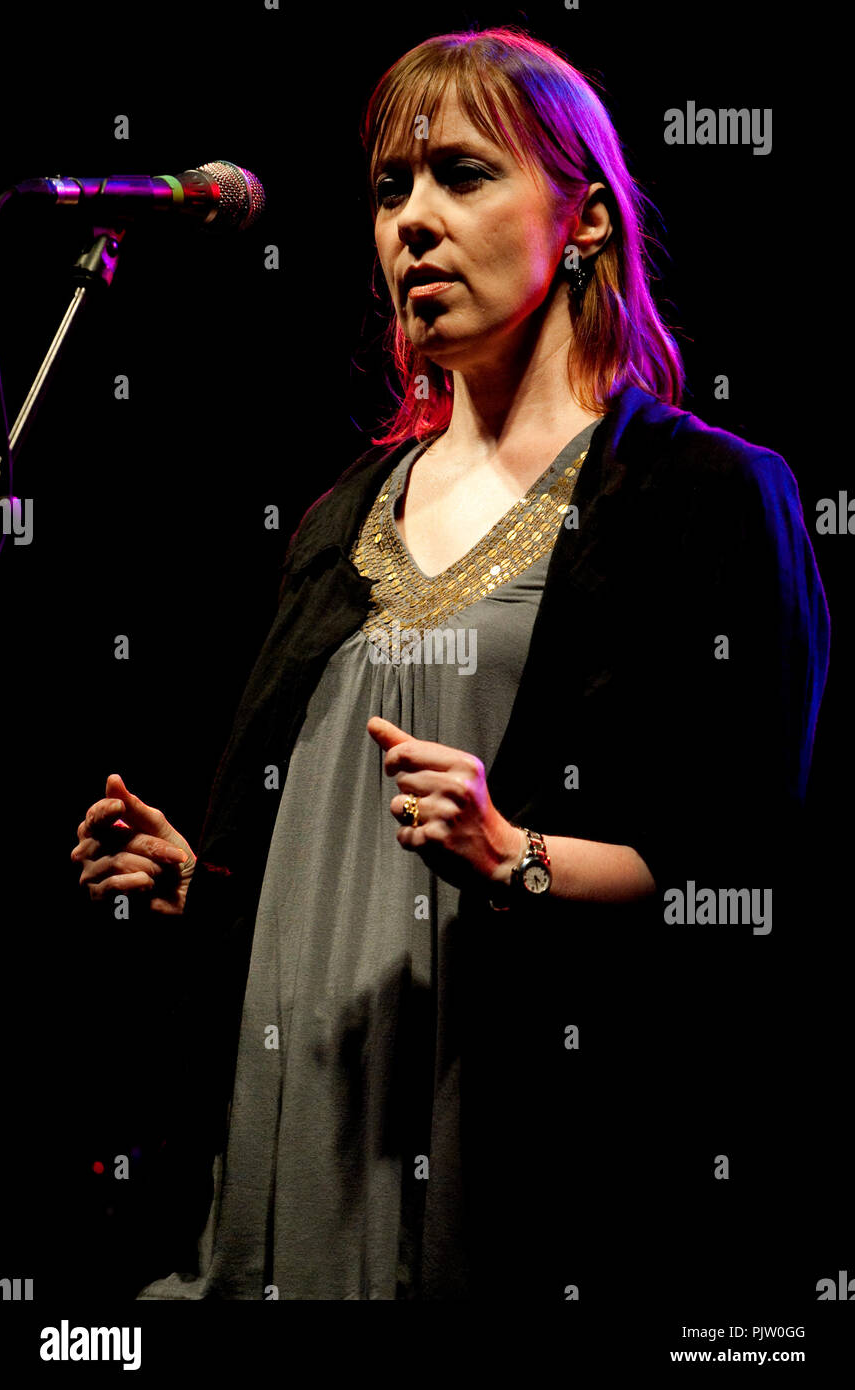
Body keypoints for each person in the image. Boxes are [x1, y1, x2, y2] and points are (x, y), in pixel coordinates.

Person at [70, 27, 830, 1300]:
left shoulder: (701, 495)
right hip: (294, 1113)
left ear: (580, 217)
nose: (413, 222)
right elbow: (325, 860)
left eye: (462, 175)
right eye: (389, 190)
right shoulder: (335, 520)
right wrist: (201, 884)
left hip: (514, 1145)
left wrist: (512, 856)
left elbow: (744, 867)